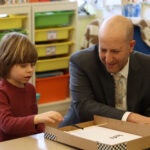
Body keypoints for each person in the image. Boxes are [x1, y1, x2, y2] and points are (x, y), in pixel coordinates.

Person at [59, 15, 150, 127]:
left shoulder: (147, 66)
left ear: (131, 46)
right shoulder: (81, 62)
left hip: (131, 135)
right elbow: (84, 106)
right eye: (103, 50)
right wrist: (130, 117)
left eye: (115, 51)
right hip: (83, 132)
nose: (108, 59)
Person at [0, 32, 63, 141]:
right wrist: (37, 118)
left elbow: (36, 124)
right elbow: (7, 125)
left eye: (32, 64)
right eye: (23, 65)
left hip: (29, 142)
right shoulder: (2, 92)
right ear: (7, 63)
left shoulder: (30, 89)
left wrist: (47, 134)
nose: (30, 69)